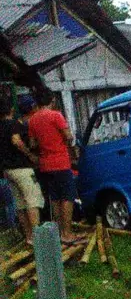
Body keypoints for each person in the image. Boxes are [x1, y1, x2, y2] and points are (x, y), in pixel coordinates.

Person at [27, 90, 83, 244]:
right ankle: (67, 233)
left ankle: (58, 233)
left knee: (55, 198)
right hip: (60, 162)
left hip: (45, 164)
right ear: (51, 100)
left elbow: (32, 144)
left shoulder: (33, 120)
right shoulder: (56, 115)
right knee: (67, 196)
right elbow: (68, 136)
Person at [0, 97, 44, 245]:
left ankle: (29, 237)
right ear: (11, 109)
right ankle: (38, 238)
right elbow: (16, 141)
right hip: (22, 169)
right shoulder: (13, 124)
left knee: (20, 204)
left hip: (7, 170)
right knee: (32, 201)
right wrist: (30, 155)